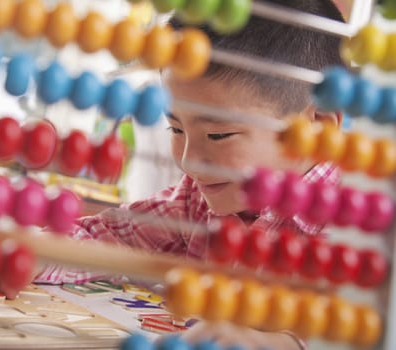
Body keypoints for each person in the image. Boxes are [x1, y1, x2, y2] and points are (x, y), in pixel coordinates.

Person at [35, 0, 345, 348]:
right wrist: (22, 256)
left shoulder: (355, 232)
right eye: (176, 130)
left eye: (218, 135)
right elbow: (107, 237)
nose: (189, 162)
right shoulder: (195, 201)